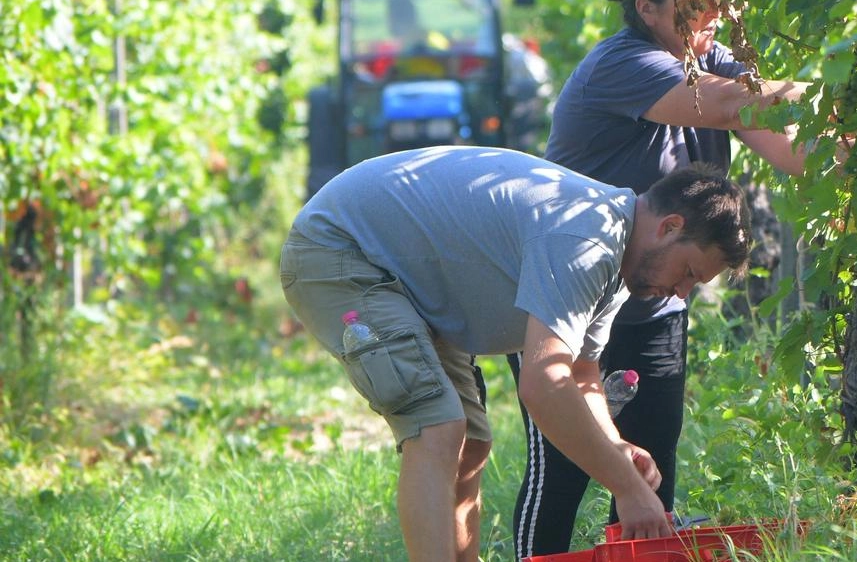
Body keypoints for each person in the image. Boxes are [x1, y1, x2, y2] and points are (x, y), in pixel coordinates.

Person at [510, 0, 824, 559]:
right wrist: (828, 95)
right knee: (566, 468)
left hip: (656, 299)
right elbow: (734, 105)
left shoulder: (714, 64)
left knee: (654, 457)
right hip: (568, 291)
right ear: (644, 8)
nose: (707, 16)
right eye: (689, 3)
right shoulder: (622, 65)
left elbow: (789, 149)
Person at [278, 145, 753, 562]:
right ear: (669, 227)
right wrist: (628, 491)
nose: (681, 292)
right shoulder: (586, 239)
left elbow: (582, 373)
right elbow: (544, 383)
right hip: (340, 252)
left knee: (471, 445)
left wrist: (616, 449)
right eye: (689, 272)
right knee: (438, 427)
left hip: (402, 280)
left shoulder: (615, 261)